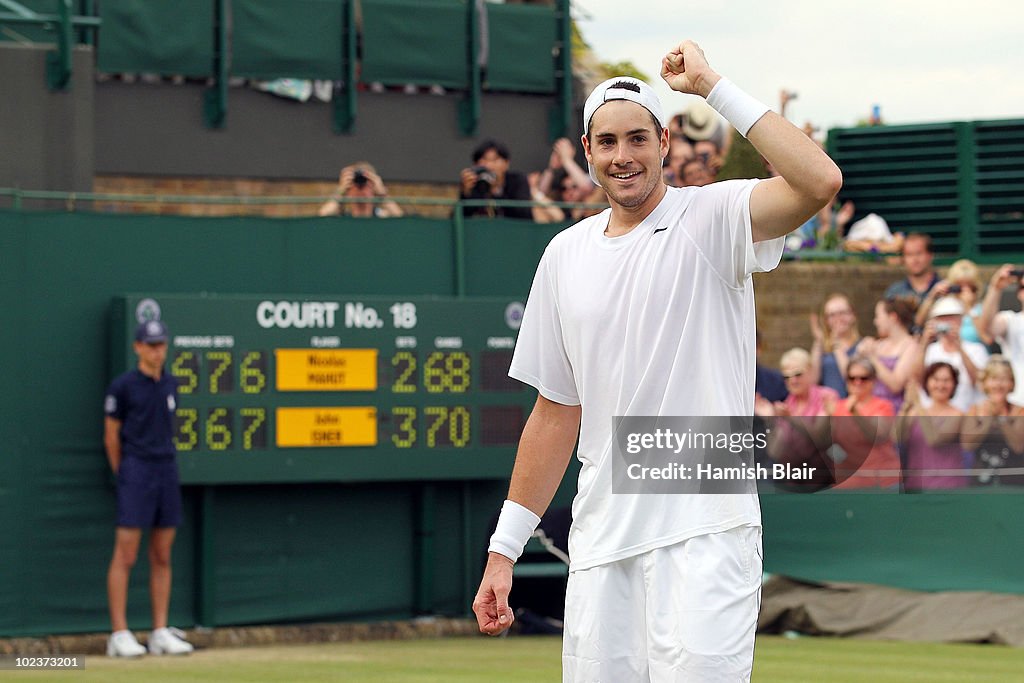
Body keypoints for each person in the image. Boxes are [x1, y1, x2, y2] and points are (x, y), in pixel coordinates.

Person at [472, 39, 842, 681]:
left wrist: (712, 85)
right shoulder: (563, 255)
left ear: (663, 142)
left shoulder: (715, 215)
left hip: (708, 530)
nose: (623, 156)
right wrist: (504, 550)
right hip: (600, 543)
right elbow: (555, 413)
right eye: (608, 141)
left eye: (637, 138)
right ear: (588, 152)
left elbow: (820, 181)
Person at [103, 320, 194, 657]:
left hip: (166, 469)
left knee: (162, 554)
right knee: (126, 554)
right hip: (136, 470)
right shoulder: (123, 387)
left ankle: (159, 631)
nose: (158, 351)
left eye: (162, 344)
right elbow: (111, 436)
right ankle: (119, 634)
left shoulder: (171, 383)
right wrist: (125, 473)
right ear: (138, 347)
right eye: (151, 345)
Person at [829, 355, 901, 489]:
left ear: (873, 381)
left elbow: (878, 436)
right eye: (852, 378)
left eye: (863, 378)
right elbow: (829, 445)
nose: (857, 382)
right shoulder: (838, 407)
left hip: (884, 480)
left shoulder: (883, 406)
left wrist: (855, 413)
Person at [896, 364, 966, 491]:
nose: (940, 385)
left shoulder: (958, 414)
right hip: (916, 484)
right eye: (935, 379)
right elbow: (896, 437)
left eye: (946, 380)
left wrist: (918, 404)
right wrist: (906, 405)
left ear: (954, 384)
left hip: (947, 485)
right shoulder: (915, 412)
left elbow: (934, 439)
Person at [915, 296, 989, 412]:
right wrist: (924, 342)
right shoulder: (929, 350)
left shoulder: (976, 349)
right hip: (931, 419)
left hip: (966, 417)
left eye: (951, 318)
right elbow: (917, 379)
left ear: (961, 320)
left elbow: (980, 382)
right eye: (941, 319)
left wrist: (959, 346)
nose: (946, 323)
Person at [960, 356, 1024, 486]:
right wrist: (988, 420)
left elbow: (1018, 446)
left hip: (1014, 482)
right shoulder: (974, 410)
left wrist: (1001, 418)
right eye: (994, 379)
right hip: (981, 482)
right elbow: (967, 445)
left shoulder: (1019, 411)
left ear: (1011, 383)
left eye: (1004, 379)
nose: (998, 384)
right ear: (985, 383)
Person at [858, 297, 918, 414]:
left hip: (893, 411)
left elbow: (896, 384)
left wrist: (872, 357)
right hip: (870, 410)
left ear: (893, 317)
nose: (876, 321)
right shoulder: (879, 344)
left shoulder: (911, 346)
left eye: (878, 316)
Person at [978, 264, 1024, 406]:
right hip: (1017, 404)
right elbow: (986, 328)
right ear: (1019, 293)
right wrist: (995, 288)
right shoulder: (1011, 320)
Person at [914, 259, 989, 345]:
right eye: (959, 287)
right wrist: (932, 296)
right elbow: (919, 322)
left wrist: (969, 308)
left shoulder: (982, 309)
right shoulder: (944, 306)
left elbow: (985, 337)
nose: (965, 290)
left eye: (970, 286)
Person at [459, 139, 533, 219]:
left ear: (506, 163)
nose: (489, 165)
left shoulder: (518, 180)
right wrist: (466, 193)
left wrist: (496, 190)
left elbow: (524, 214)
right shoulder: (475, 182)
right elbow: (460, 217)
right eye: (484, 160)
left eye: (494, 160)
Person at [809, 293, 862, 397]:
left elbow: (852, 378)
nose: (838, 318)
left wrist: (836, 344)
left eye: (842, 313)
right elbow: (812, 382)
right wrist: (819, 341)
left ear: (853, 315)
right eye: (832, 315)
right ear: (826, 321)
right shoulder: (823, 347)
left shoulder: (863, 345)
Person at [318, 162, 404, 218]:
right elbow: (322, 217)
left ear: (374, 187)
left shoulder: (382, 216)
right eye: (355, 182)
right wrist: (340, 192)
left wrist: (382, 194)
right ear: (348, 188)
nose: (361, 187)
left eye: (367, 182)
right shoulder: (343, 219)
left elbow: (400, 220)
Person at [883, 232, 939, 304]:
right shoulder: (894, 292)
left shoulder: (944, 290)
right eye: (909, 254)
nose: (914, 259)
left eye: (919, 253)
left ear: (930, 255)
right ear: (903, 258)